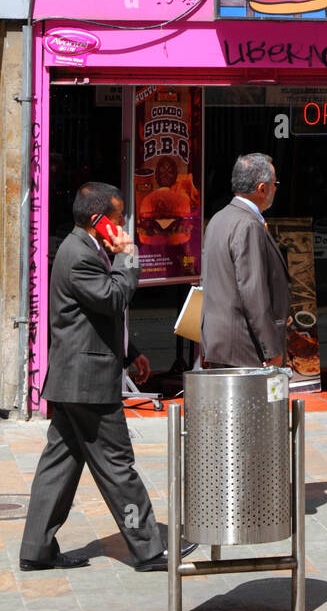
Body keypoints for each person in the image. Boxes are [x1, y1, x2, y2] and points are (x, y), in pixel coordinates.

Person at [19, 183, 195, 573]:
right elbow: (114, 297)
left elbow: (96, 315)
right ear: (100, 221)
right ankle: (149, 549)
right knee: (117, 466)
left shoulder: (85, 248)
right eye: (119, 218)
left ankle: (36, 549)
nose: (124, 225)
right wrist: (128, 256)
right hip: (88, 382)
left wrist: (131, 354)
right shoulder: (78, 254)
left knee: (59, 465)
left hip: (76, 378)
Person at [201, 153, 290, 368]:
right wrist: (271, 348)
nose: (276, 188)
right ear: (262, 189)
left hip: (220, 342)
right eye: (274, 183)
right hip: (244, 346)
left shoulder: (218, 218)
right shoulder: (248, 225)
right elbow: (254, 291)